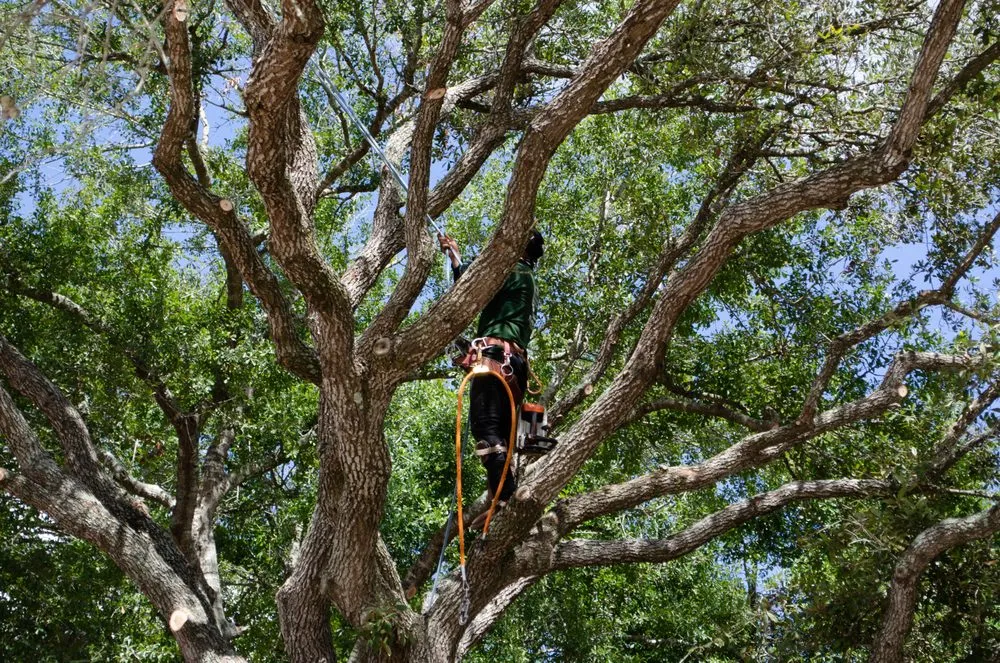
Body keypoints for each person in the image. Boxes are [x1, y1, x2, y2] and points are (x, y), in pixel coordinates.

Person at [438, 229, 544, 515]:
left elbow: (471, 286)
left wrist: (457, 259)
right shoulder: (527, 277)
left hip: (497, 358)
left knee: (486, 429)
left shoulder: (512, 271)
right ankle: (501, 501)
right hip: (514, 367)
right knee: (502, 442)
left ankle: (506, 498)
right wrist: (455, 257)